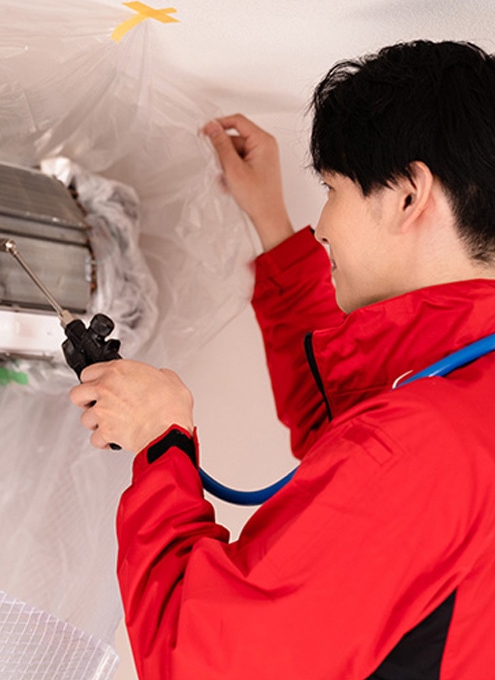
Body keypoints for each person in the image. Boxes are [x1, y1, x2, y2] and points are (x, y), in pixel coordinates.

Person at [69, 40, 495, 678]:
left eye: (332, 188)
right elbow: (348, 424)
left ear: (409, 196)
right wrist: (270, 219)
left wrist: (162, 441)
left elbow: (205, 659)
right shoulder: (462, 393)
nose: (322, 224)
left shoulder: (423, 444)